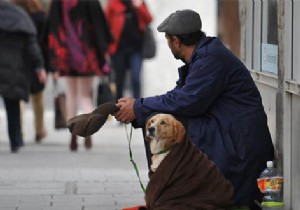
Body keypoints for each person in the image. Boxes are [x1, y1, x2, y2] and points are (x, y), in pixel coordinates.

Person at [114, 9, 275, 209]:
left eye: (167, 41)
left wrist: (139, 107)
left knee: (162, 124)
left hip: (240, 149)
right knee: (158, 120)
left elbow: (187, 101)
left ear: (176, 41)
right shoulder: (203, 56)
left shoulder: (211, 59)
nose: (168, 45)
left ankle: (168, 194)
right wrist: (138, 108)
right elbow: (179, 96)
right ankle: (167, 192)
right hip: (229, 135)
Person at [47, 0, 113, 151]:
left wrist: (53, 58)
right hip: (87, 55)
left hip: (67, 55)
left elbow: (53, 28)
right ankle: (88, 131)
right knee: (86, 95)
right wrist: (103, 55)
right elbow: (100, 28)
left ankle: (73, 134)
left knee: (71, 94)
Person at [0, 0, 47, 152]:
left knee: (13, 104)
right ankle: (16, 139)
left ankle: (17, 138)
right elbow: (32, 45)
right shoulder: (20, 17)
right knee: (12, 104)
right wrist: (39, 66)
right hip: (15, 68)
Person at [12, 0, 55, 143]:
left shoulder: (13, 16)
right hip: (37, 60)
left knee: (19, 98)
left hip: (18, 60)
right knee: (38, 97)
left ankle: (19, 130)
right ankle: (39, 129)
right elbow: (48, 41)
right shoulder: (41, 17)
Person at [105, 0, 153, 100]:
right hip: (118, 49)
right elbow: (106, 24)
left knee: (135, 79)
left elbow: (149, 19)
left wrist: (139, 7)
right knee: (119, 81)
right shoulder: (113, 3)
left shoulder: (138, 2)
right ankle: (118, 108)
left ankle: (137, 105)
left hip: (136, 49)